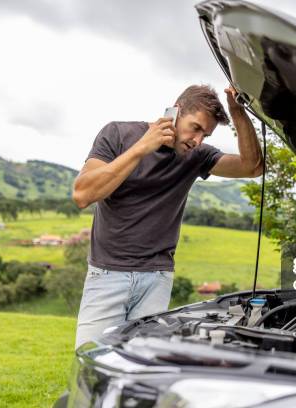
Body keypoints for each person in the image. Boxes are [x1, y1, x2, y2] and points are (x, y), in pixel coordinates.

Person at [72, 84, 263, 348]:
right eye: (195, 128)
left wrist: (238, 113)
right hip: (107, 275)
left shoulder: (196, 156)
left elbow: (252, 167)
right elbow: (83, 194)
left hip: (157, 279)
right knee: (91, 357)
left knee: (143, 367)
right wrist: (142, 147)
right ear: (175, 110)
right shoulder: (118, 133)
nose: (197, 141)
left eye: (205, 135)